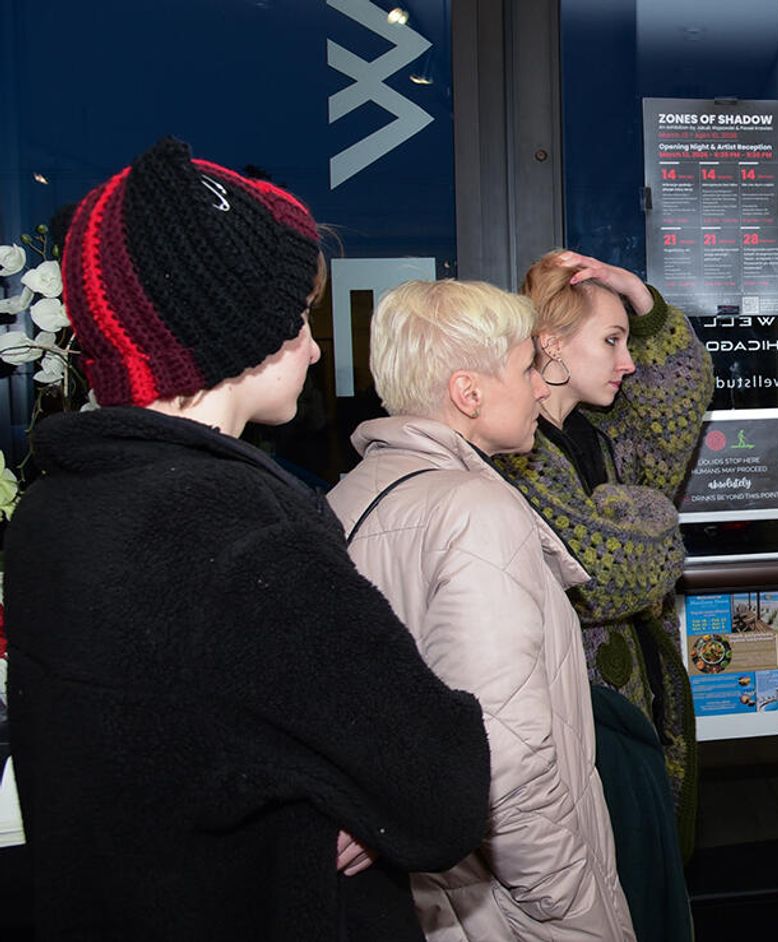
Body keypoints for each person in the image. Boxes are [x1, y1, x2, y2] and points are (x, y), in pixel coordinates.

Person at [3, 138, 490, 941]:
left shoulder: (56, 508)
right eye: (296, 319)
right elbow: (443, 792)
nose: (313, 345)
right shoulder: (242, 536)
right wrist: (351, 801)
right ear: (236, 333)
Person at [327, 279, 636, 942]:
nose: (540, 386)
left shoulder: (347, 498)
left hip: (429, 895)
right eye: (526, 369)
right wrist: (568, 897)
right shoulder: (475, 511)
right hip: (509, 905)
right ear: (468, 393)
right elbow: (505, 762)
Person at [493, 250, 709, 928]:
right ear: (552, 344)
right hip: (576, 735)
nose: (629, 361)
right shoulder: (515, 450)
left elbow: (678, 403)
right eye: (612, 341)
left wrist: (638, 300)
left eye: (627, 341)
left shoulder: (605, 434)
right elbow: (605, 573)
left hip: (637, 714)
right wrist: (644, 520)